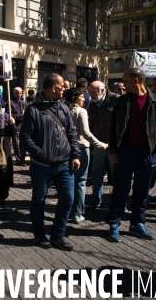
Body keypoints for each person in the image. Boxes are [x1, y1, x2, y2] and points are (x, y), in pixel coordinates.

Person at [20, 73, 81, 251]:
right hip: (41, 167)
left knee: (68, 200)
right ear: (53, 88)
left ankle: (58, 236)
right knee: (39, 201)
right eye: (62, 87)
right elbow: (25, 136)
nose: (64, 90)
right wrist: (39, 154)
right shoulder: (33, 110)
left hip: (64, 166)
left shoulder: (64, 107)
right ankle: (39, 235)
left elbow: (72, 133)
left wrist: (75, 155)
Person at [106, 68, 156, 242]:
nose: (123, 85)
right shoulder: (122, 101)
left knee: (142, 191)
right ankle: (114, 224)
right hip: (125, 151)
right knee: (120, 189)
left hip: (147, 153)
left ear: (136, 81)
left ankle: (137, 224)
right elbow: (113, 128)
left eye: (125, 81)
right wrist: (112, 151)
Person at [64, 87, 106, 224]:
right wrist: (101, 145)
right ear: (74, 98)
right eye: (82, 97)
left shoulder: (62, 109)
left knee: (67, 182)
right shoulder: (81, 111)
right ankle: (77, 213)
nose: (84, 99)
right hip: (81, 149)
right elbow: (86, 133)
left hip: (65, 150)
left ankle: (66, 210)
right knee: (80, 182)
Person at [86, 81, 119, 210]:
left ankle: (119, 203)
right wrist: (92, 146)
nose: (92, 95)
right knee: (96, 174)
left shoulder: (116, 100)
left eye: (94, 92)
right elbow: (91, 125)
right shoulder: (92, 104)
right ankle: (96, 201)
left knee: (117, 176)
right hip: (99, 146)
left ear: (103, 90)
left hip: (114, 147)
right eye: (90, 92)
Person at [10, 87, 26, 173]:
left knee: (23, 144)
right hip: (15, 126)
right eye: (17, 93)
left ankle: (22, 159)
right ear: (14, 93)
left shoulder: (21, 103)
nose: (19, 95)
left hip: (22, 125)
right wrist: (20, 116)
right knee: (16, 144)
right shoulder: (10, 103)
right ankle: (19, 159)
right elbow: (10, 115)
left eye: (20, 93)